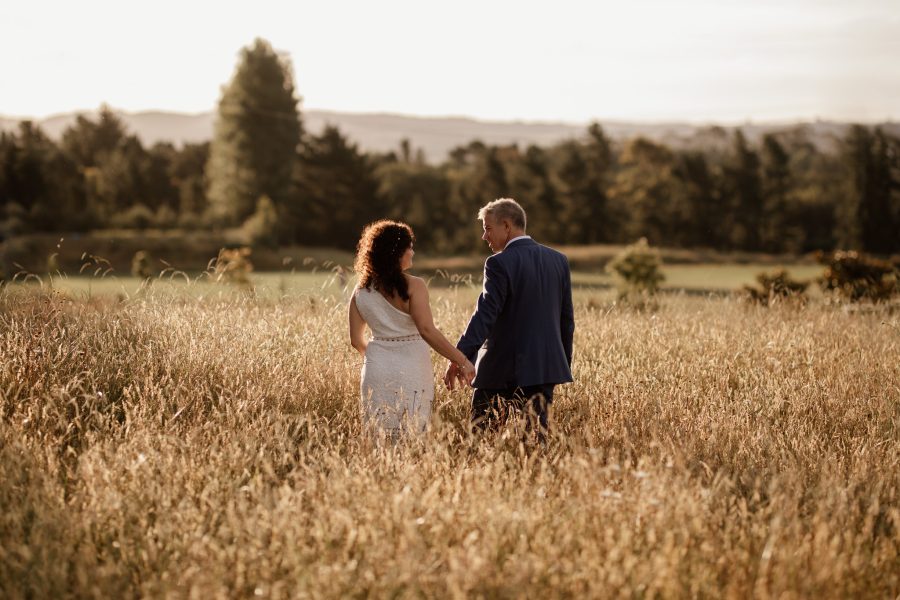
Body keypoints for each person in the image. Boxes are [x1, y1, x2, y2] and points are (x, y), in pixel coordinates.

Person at [444, 198, 574, 439]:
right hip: (546, 369)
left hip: (501, 370)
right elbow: (566, 321)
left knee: (481, 440)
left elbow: (485, 315)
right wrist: (560, 364)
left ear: (506, 225)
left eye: (487, 228)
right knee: (536, 444)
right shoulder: (559, 260)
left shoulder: (498, 263)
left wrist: (460, 357)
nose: (484, 236)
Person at [349, 220, 476, 438]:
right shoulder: (415, 285)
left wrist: (379, 356)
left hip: (375, 368)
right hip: (412, 366)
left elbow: (355, 340)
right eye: (409, 247)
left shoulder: (360, 291)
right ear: (397, 252)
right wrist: (462, 360)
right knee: (412, 431)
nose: (412, 252)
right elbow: (427, 330)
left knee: (378, 434)